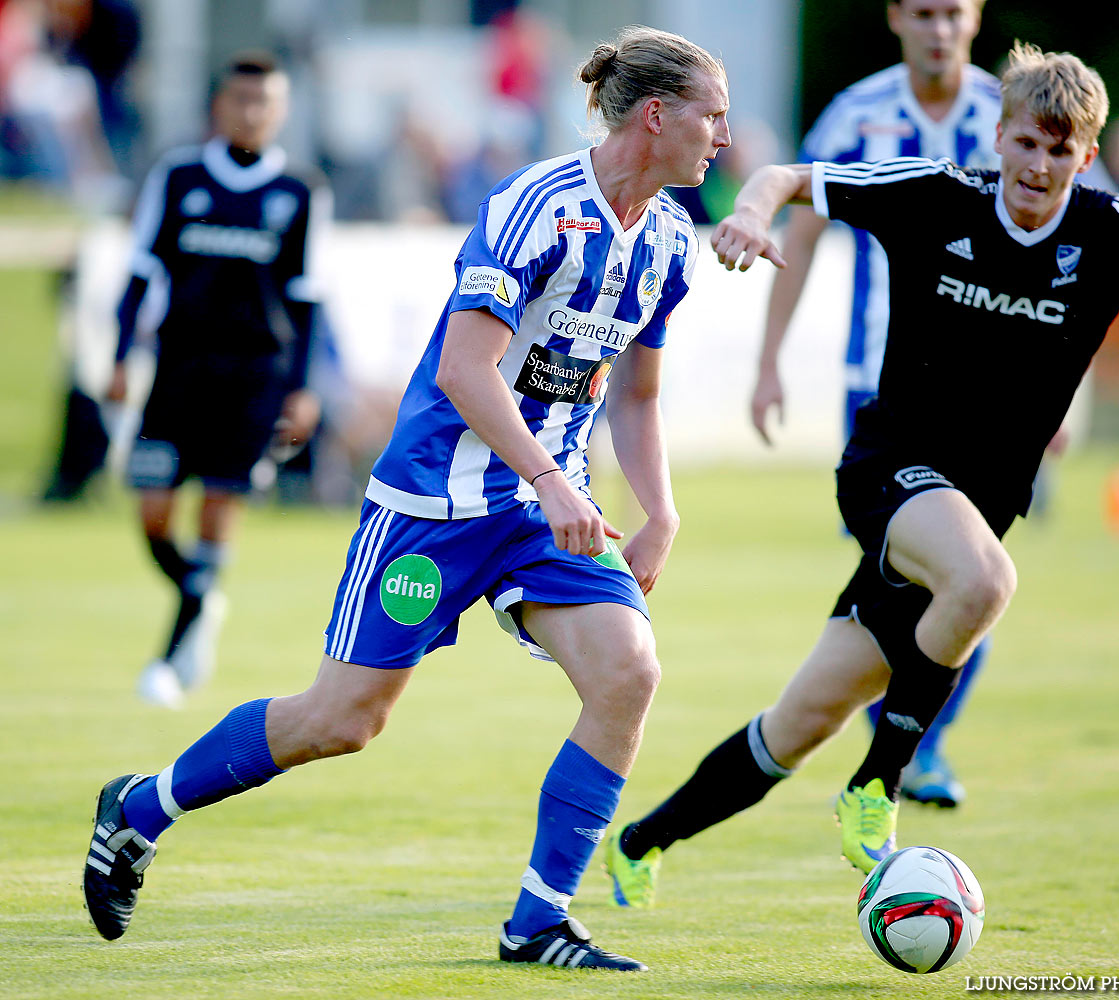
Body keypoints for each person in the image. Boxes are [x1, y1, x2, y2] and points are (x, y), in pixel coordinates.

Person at [84, 26, 730, 972]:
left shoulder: (672, 239)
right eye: (712, 116)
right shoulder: (536, 206)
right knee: (343, 721)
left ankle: (538, 921)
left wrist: (661, 510)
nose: (724, 135)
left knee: (629, 674)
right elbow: (468, 371)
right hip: (433, 502)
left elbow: (635, 392)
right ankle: (136, 810)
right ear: (657, 115)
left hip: (543, 513)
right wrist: (551, 480)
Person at [603, 42, 1119, 908]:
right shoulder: (938, 195)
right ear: (1001, 134)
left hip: (966, 517)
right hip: (888, 471)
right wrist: (751, 210)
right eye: (1025, 142)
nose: (1038, 164)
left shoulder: (1113, 229)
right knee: (986, 581)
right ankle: (879, 785)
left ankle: (642, 842)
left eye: (1060, 151)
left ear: (1085, 156)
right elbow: (790, 178)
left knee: (796, 724)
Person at [752, 0, 1002, 808]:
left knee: (975, 578)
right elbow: (806, 232)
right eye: (923, 12)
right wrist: (769, 360)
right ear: (895, 16)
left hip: (986, 392)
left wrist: (1058, 400)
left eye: (953, 13)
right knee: (908, 577)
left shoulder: (1011, 114)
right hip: (881, 387)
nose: (939, 29)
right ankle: (908, 748)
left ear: (976, 17)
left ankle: (915, 742)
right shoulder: (856, 114)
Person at [107, 52, 328, 709]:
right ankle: (202, 600)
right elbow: (141, 272)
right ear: (219, 106)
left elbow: (307, 296)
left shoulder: (301, 190)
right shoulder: (177, 176)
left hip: (254, 376)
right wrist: (120, 356)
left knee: (216, 512)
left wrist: (303, 387)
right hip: (177, 369)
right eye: (241, 100)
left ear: (280, 111)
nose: (253, 112)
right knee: (151, 511)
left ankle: (171, 658)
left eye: (265, 103)